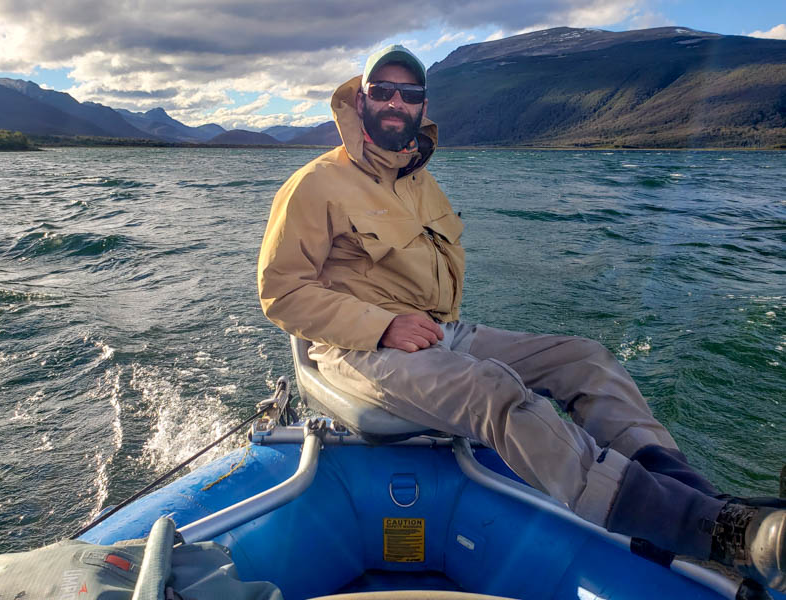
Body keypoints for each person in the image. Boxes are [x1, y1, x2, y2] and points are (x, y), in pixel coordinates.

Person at [257, 44, 785, 591]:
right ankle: (698, 530)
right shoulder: (315, 183)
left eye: (409, 94)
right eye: (382, 91)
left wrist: (428, 332)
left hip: (436, 335)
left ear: (422, 107)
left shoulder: (419, 184)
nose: (396, 101)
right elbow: (281, 291)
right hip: (359, 350)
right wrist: (382, 327)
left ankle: (706, 504)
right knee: (492, 389)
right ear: (361, 101)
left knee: (585, 360)